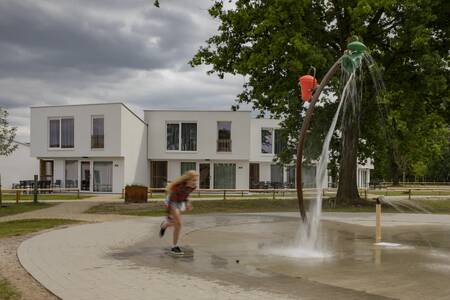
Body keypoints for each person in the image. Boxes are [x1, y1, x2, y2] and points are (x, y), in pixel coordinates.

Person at [159, 170, 198, 255]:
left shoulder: (193, 187)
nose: (195, 182)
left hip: (179, 202)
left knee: (175, 223)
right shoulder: (178, 187)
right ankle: (174, 247)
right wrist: (168, 213)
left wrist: (187, 202)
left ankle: (165, 225)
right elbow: (171, 200)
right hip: (171, 201)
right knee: (179, 224)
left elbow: (185, 195)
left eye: (196, 180)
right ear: (187, 180)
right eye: (193, 180)